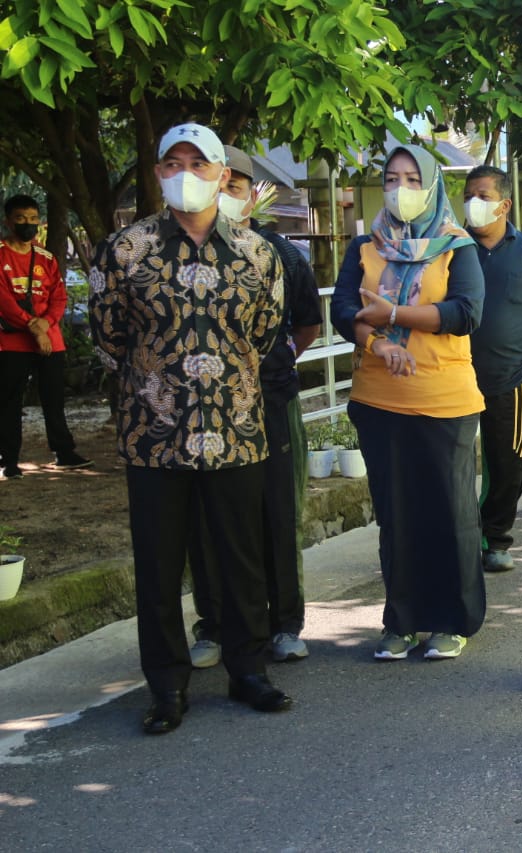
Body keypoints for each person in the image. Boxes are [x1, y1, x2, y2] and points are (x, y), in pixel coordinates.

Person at [90, 123, 291, 734]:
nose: (185, 174)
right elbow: (107, 336)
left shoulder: (257, 253)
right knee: (158, 565)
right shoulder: (125, 250)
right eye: (172, 163)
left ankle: (248, 670)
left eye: (198, 164)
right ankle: (167, 685)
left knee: (241, 559)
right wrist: (158, 381)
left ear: (221, 174)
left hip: (236, 428)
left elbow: (264, 333)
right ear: (157, 173)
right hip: (154, 434)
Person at [330, 144, 485, 662]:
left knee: (449, 514)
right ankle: (400, 621)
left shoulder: (456, 246)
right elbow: (344, 310)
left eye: (413, 179)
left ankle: (452, 621)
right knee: (396, 518)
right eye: (392, 179)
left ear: (433, 186)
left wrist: (394, 313)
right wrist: (379, 342)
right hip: (379, 399)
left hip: (445, 401)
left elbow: (465, 312)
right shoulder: (365, 247)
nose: (401, 189)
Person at [186, 146, 323, 668]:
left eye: (235, 186)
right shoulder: (178, 255)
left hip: (270, 401)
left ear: (251, 195)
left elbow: (307, 324)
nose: (223, 195)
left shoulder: (281, 255)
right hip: (203, 412)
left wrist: (268, 364)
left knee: (277, 514)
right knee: (206, 521)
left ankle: (284, 624)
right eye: (217, 183)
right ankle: (214, 626)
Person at [462, 165, 522, 575]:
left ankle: (495, 538)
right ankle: (460, 538)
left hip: (511, 376)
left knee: (508, 465)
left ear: (505, 205)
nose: (474, 204)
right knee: (453, 466)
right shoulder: (452, 248)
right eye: (468, 196)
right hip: (454, 376)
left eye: (483, 196)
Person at [1, 194, 93, 479]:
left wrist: (46, 323)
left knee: (54, 399)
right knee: (9, 401)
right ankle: (8, 460)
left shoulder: (46, 257)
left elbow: (59, 296)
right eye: (20, 218)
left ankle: (65, 453)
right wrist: (32, 325)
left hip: (50, 339)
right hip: (12, 341)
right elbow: (4, 301)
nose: (27, 224)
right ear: (8, 222)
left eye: (32, 219)